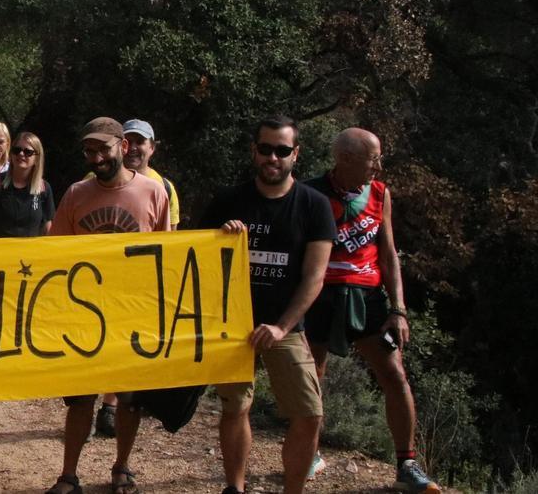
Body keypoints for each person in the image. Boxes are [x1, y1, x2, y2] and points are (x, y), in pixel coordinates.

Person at [200, 115, 333, 494]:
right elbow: (201, 264)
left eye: (282, 150)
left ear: (296, 154)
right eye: (265, 149)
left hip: (284, 328)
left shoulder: (314, 206)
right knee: (235, 408)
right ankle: (235, 487)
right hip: (232, 327)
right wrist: (220, 240)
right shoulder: (228, 201)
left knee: (309, 414)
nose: (272, 157)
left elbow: (314, 277)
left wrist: (282, 327)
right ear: (253, 151)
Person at [303, 128, 440, 493]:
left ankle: (406, 463)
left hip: (369, 297)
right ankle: (308, 453)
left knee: (394, 374)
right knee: (312, 376)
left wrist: (399, 309)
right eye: (373, 157)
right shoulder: (310, 193)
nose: (378, 165)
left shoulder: (380, 193)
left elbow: (389, 253)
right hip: (322, 294)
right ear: (345, 158)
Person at [44, 117, 170, 494]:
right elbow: (56, 255)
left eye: (104, 149)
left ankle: (121, 467)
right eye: (89, 150)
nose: (96, 156)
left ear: (124, 148)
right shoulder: (75, 194)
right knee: (80, 399)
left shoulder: (153, 191)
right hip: (85, 315)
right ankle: (68, 475)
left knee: (130, 400)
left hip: (133, 313)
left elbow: (168, 253)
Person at [0, 131, 52, 238]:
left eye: (28, 152)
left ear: (37, 158)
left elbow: (48, 229)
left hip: (31, 253)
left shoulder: (44, 188)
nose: (21, 154)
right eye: (17, 150)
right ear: (11, 154)